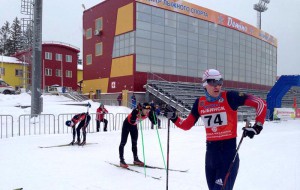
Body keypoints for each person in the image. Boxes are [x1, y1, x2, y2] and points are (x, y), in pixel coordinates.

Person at [163, 69, 267, 190]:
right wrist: (174, 118)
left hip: (228, 154)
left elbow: (260, 103)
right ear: (205, 84)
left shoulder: (230, 97)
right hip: (211, 155)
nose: (217, 86)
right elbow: (187, 125)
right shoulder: (200, 103)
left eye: (220, 82)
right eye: (213, 82)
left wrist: (257, 126)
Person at [119, 102, 157, 168]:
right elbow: (132, 121)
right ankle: (121, 160)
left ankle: (136, 159)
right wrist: (137, 115)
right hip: (126, 125)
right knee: (123, 143)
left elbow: (155, 122)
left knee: (134, 143)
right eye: (146, 109)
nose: (147, 111)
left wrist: (153, 114)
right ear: (142, 109)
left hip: (134, 126)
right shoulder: (136, 111)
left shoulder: (148, 113)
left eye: (149, 110)